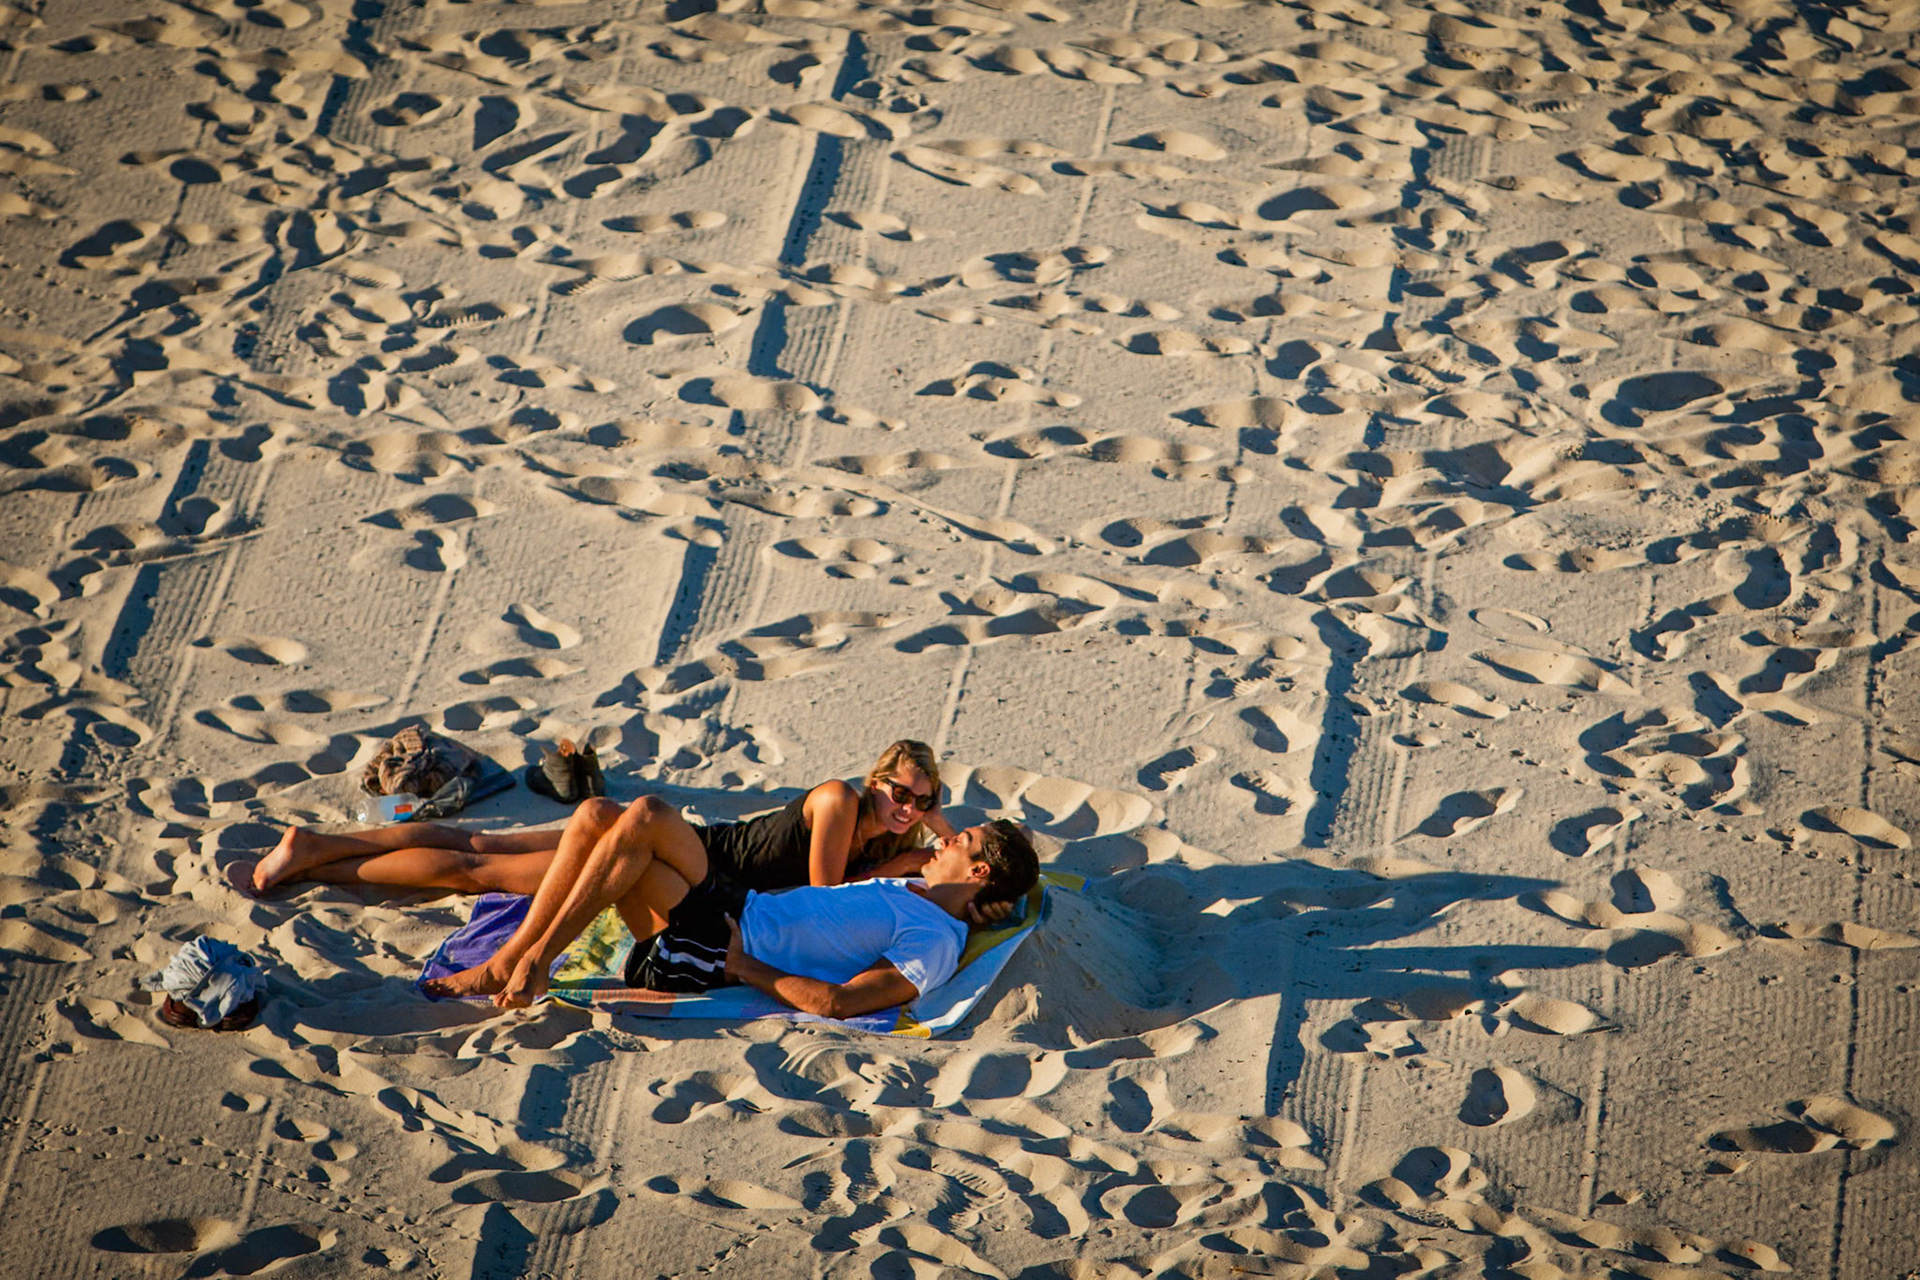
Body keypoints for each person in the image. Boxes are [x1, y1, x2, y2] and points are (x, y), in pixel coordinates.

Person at [426, 819, 1039, 1015]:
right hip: (737, 906)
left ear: (979, 872)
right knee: (597, 815)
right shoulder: (918, 889)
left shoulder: (934, 938)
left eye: (959, 842)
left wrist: (750, 970)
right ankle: (519, 959)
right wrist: (987, 900)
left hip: (718, 946)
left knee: (643, 815)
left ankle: (521, 961)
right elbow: (1010, 866)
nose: (943, 839)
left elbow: (840, 1003)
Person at [242, 740, 954, 897]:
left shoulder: (899, 827)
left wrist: (925, 834)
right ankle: (317, 854)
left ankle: (321, 851)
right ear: (876, 779)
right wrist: (905, 855)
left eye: (923, 800)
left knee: (483, 845)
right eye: (901, 791)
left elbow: (944, 847)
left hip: (680, 853)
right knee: (476, 866)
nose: (908, 809)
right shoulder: (839, 801)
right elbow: (823, 899)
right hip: (682, 856)